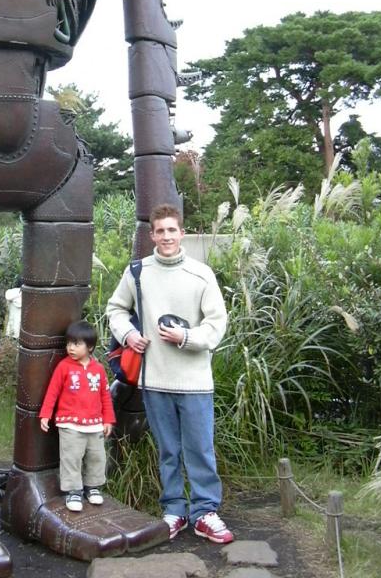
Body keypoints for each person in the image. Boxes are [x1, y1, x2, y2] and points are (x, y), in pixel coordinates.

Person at [106, 204, 234, 544]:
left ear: (182, 233)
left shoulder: (201, 274)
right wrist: (128, 335)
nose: (166, 236)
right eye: (159, 231)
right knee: (168, 451)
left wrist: (187, 338)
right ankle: (174, 510)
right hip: (154, 381)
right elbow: (115, 309)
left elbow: (217, 324)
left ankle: (205, 512)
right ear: (152, 235)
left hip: (194, 382)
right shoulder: (136, 272)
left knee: (201, 449)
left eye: (171, 230)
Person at [40, 320, 116, 512]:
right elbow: (53, 392)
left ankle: (93, 487)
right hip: (70, 424)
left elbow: (105, 395)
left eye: (77, 344)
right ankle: (73, 490)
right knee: (71, 458)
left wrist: (108, 419)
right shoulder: (63, 367)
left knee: (97, 457)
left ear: (90, 346)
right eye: (69, 343)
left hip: (95, 424)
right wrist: (45, 415)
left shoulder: (98, 369)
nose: (71, 348)